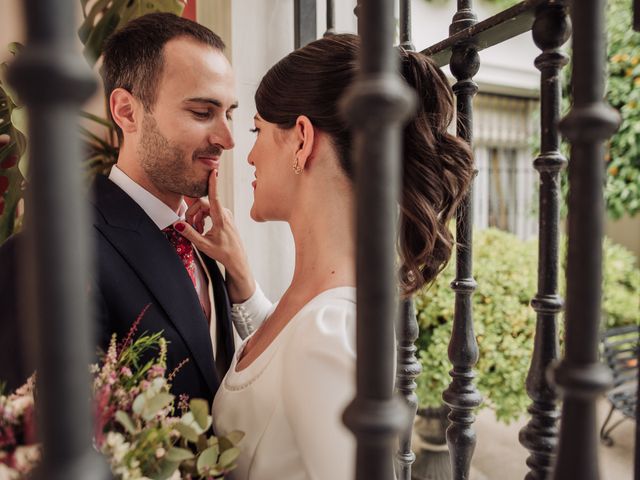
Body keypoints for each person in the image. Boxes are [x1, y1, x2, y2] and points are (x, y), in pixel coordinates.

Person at [176, 34, 475, 479]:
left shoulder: (328, 332)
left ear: (301, 140)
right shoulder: (320, 315)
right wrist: (242, 282)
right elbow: (283, 377)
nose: (250, 154)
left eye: (258, 130)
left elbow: (308, 357)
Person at [0, 13, 245, 405]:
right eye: (202, 112)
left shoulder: (209, 248)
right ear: (127, 111)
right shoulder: (48, 253)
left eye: (229, 112)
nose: (227, 138)